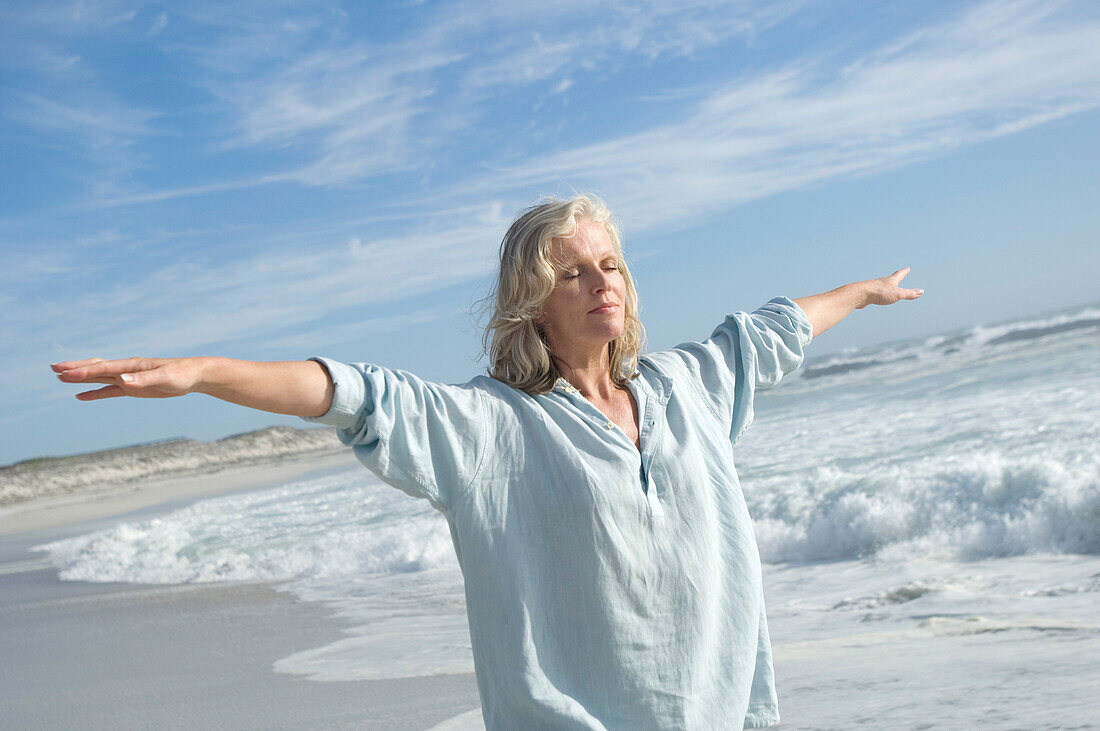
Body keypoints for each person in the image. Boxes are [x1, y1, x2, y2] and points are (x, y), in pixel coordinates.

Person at [53, 194, 922, 729]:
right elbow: (349, 391)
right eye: (575, 271)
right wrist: (205, 373)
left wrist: (863, 292)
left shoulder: (691, 386)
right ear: (532, 300)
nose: (601, 281)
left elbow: (774, 326)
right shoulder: (487, 427)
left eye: (610, 263)